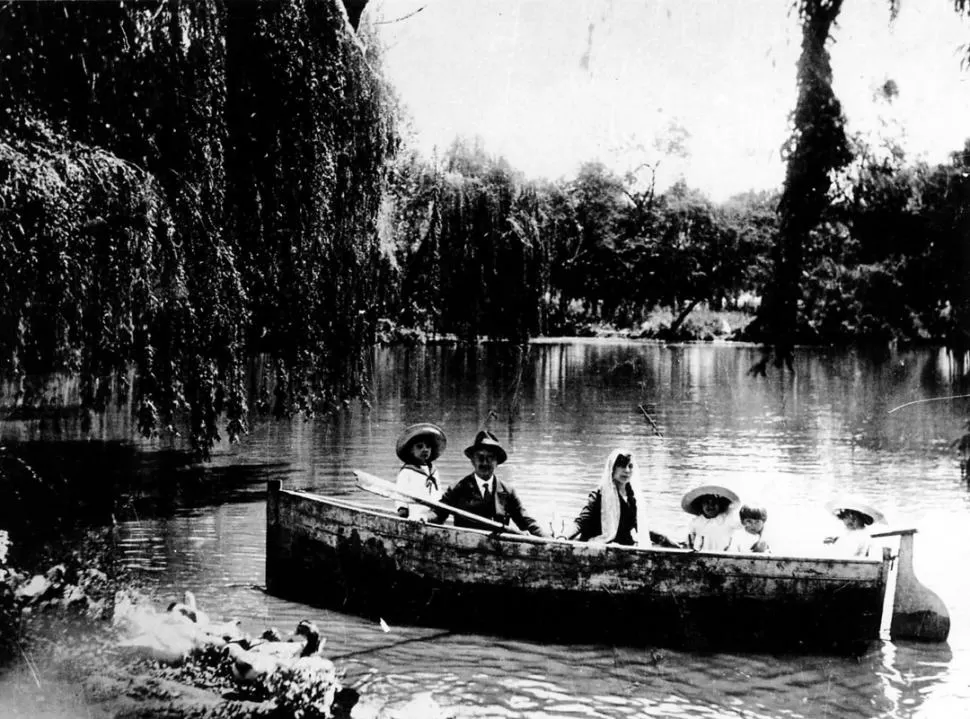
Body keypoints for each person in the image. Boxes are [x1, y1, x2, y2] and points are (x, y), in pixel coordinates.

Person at [429, 430, 548, 537]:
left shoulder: (507, 491)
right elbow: (437, 515)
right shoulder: (457, 488)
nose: (485, 463)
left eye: (490, 458)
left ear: (497, 462)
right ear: (472, 460)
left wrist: (549, 540)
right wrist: (421, 519)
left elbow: (527, 523)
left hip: (497, 553)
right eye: (480, 458)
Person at [564, 449, 680, 547]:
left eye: (630, 466)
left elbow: (640, 526)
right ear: (612, 468)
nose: (627, 470)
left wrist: (667, 541)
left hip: (624, 546)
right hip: (599, 545)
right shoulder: (599, 495)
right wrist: (563, 537)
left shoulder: (632, 497)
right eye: (622, 465)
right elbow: (581, 522)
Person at [394, 423, 446, 520]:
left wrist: (440, 508)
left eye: (428, 447)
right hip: (415, 515)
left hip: (432, 515)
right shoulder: (407, 471)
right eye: (419, 446)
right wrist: (402, 508)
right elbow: (400, 493)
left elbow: (439, 492)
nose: (425, 450)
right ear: (411, 450)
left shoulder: (434, 471)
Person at [682, 484, 739, 552]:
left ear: (720, 504)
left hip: (723, 556)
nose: (711, 506)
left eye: (714, 503)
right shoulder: (696, 522)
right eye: (707, 503)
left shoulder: (727, 519)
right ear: (701, 505)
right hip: (702, 556)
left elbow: (744, 526)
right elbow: (689, 541)